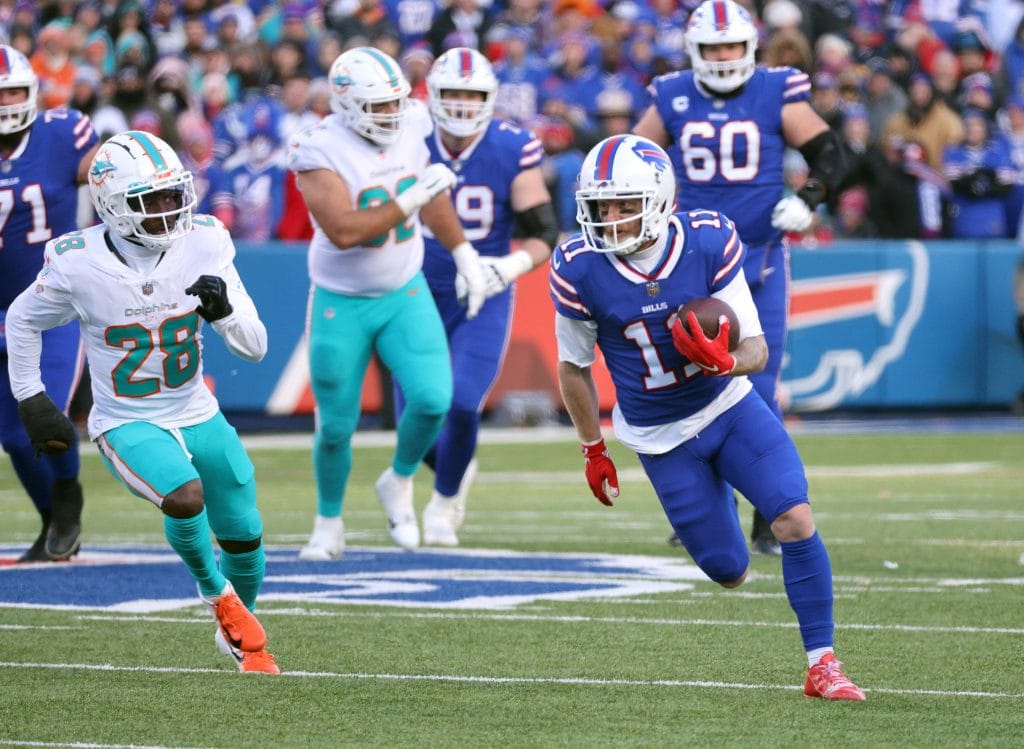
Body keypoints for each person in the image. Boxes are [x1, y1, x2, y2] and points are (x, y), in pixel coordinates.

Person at [552, 133, 865, 701]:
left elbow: (757, 351)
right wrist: (592, 448)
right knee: (730, 571)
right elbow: (573, 369)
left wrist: (724, 360)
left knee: (794, 518)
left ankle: (823, 663)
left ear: (659, 198)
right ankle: (715, 492)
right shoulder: (578, 268)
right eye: (602, 207)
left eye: (625, 204)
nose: (612, 218)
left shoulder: (706, 239)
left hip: (728, 407)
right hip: (662, 436)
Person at [5, 130, 279, 674]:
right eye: (149, 201)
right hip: (127, 419)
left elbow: (255, 347)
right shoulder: (76, 261)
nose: (169, 210)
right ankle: (215, 595)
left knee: (246, 537)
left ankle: (235, 618)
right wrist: (30, 396)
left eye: (173, 194)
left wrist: (224, 313)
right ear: (111, 205)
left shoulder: (204, 240)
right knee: (184, 496)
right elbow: (21, 318)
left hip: (196, 410)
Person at [633, 0, 848, 555]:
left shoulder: (776, 89)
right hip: (692, 263)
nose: (724, 58)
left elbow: (830, 153)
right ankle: (709, 514)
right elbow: (628, 157)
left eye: (732, 47)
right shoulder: (674, 93)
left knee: (759, 384)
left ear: (750, 48)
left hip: (759, 259)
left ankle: (769, 514)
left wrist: (808, 199)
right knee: (690, 390)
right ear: (695, 52)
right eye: (713, 48)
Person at [291, 47, 486, 560]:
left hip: (403, 287)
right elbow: (343, 230)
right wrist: (411, 199)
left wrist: (463, 253)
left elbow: (433, 192)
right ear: (348, 105)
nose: (392, 114)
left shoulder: (414, 122)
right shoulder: (318, 149)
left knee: (433, 400)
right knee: (336, 424)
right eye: (380, 106)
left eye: (397, 102)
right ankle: (328, 521)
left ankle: (398, 479)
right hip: (342, 298)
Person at [415, 47, 558, 546]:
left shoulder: (510, 147)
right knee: (418, 416)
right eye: (451, 92)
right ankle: (458, 462)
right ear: (432, 95)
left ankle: (444, 502)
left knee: (460, 402)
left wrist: (511, 265)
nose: (459, 103)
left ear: (490, 98)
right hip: (412, 290)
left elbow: (544, 230)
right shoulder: (408, 140)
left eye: (470, 94)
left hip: (480, 293)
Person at [0, 45, 98, 563]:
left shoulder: (62, 135)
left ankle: (68, 494)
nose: (7, 102)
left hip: (51, 305)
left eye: (13, 91)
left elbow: (110, 178)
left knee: (46, 419)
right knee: (14, 439)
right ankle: (53, 519)